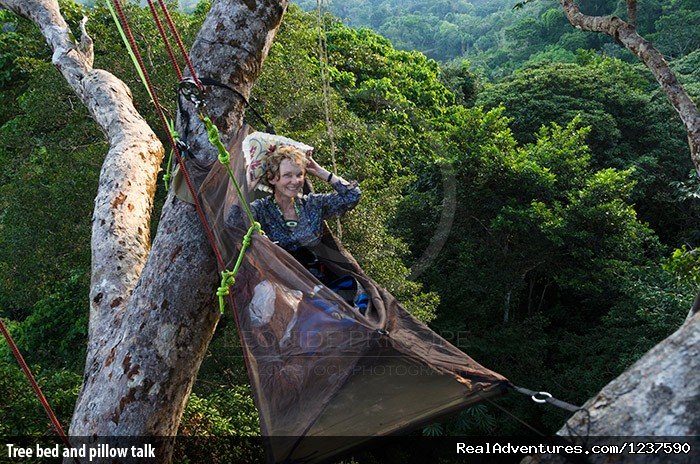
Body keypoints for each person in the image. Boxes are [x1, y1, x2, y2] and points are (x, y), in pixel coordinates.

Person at [249, 145, 361, 279]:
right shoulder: (261, 209)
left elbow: (352, 195)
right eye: (287, 175)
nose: (295, 181)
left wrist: (319, 170)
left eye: (299, 175)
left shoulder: (312, 204)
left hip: (319, 279)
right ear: (272, 178)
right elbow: (232, 221)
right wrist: (252, 181)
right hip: (282, 283)